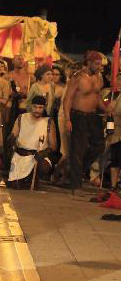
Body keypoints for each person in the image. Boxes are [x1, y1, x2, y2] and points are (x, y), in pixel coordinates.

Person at [64, 51, 110, 192]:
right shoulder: (77, 77)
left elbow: (97, 98)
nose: (99, 67)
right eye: (96, 64)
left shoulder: (99, 77)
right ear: (88, 62)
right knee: (78, 150)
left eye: (100, 64)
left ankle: (75, 171)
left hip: (92, 116)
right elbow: (68, 99)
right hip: (78, 116)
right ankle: (76, 185)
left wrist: (107, 109)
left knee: (99, 146)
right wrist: (67, 119)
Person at [7, 95, 57, 189]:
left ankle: (33, 178)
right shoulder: (21, 118)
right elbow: (13, 134)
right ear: (31, 106)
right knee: (15, 186)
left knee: (43, 166)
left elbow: (53, 146)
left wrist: (43, 153)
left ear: (44, 107)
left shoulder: (49, 122)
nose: (37, 110)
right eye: (35, 107)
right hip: (20, 155)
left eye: (40, 107)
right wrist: (11, 140)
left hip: (37, 156)